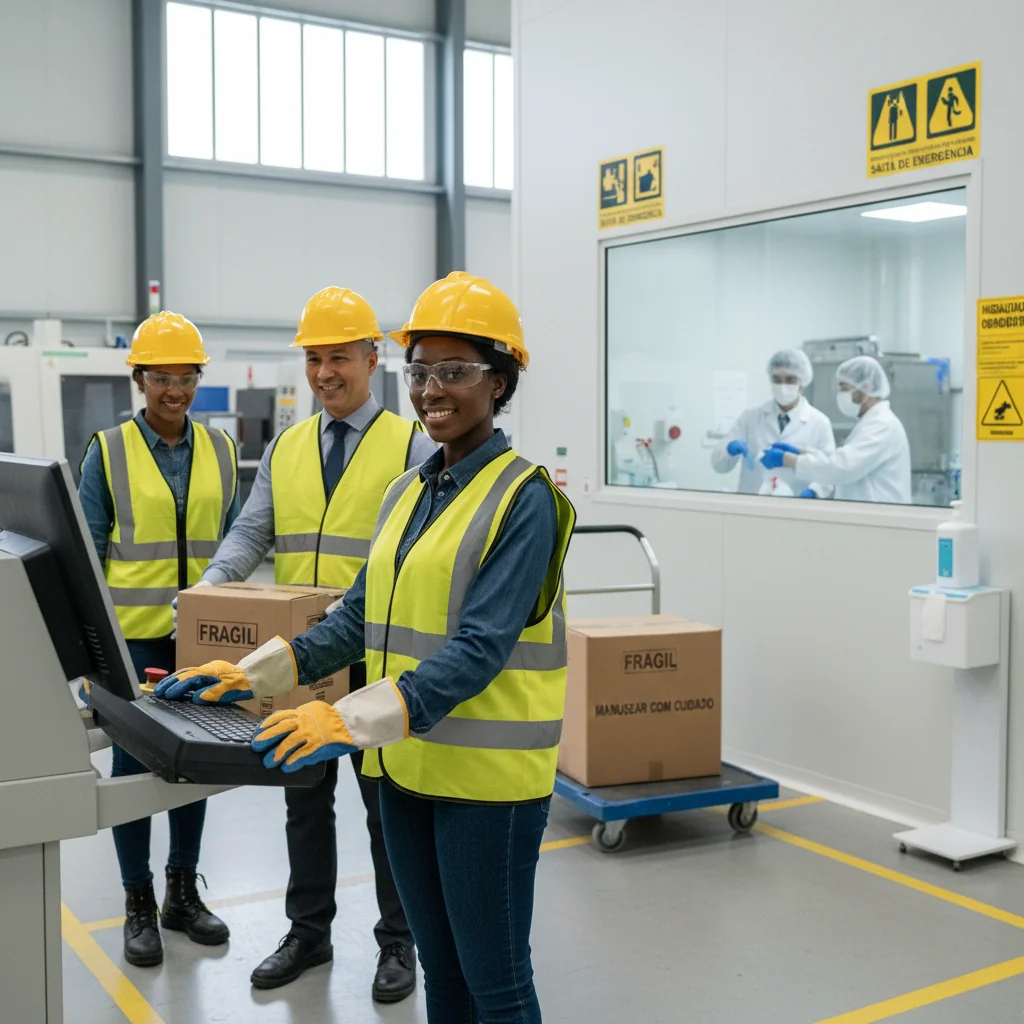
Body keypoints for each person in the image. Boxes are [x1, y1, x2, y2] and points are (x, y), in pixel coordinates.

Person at [156, 271, 576, 1024]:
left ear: (501, 379)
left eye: (456, 371)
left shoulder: (526, 499)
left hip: (488, 787)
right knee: (444, 979)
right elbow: (356, 619)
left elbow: (480, 649)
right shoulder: (409, 492)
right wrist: (250, 673)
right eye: (420, 371)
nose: (432, 389)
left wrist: (345, 719)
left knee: (497, 984)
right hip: (407, 767)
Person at [183, 286, 434, 998]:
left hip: (378, 659)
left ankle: (398, 940)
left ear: (371, 357)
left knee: (387, 810)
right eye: (315, 358)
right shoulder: (289, 447)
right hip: (302, 659)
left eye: (339, 357)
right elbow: (252, 533)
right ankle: (309, 932)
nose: (325, 372)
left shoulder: (411, 445)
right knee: (302, 796)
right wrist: (207, 591)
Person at [78, 311, 239, 967]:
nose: (174, 390)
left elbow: (235, 542)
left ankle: (181, 892)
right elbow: (85, 552)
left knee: (196, 765)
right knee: (132, 769)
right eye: (161, 377)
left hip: (201, 643)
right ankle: (137, 901)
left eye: (185, 376)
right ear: (139, 379)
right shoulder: (107, 450)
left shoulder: (223, 451)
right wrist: (89, 647)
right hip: (131, 643)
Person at [759, 355, 912, 504]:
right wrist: (802, 453)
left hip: (881, 520)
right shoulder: (871, 422)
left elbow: (842, 467)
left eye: (845, 388)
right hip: (868, 517)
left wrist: (789, 460)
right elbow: (840, 458)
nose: (840, 395)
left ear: (867, 387)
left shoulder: (882, 425)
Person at [711, 348, 835, 497]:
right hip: (752, 506)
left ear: (802, 382)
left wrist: (814, 492)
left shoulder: (819, 423)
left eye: (790, 380)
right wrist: (728, 451)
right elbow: (719, 466)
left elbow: (830, 472)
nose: (783, 386)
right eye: (777, 379)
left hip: (796, 508)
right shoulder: (751, 417)